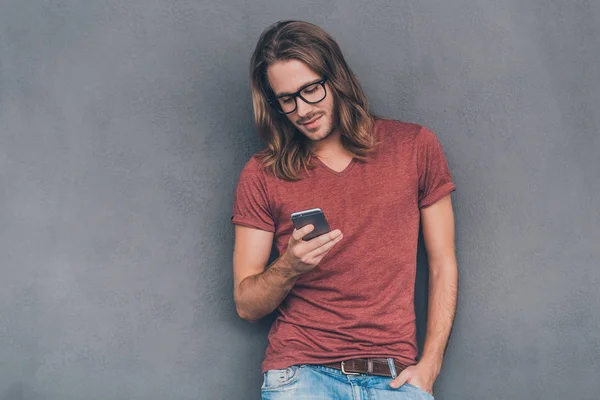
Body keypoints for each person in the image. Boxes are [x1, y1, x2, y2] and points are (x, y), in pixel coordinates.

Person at [231, 20, 458, 399]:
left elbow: (443, 261)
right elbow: (247, 305)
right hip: (301, 375)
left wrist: (430, 363)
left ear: (336, 79)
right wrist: (289, 266)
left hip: (395, 376)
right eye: (287, 99)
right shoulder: (262, 173)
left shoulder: (414, 146)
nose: (302, 110)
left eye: (311, 90)